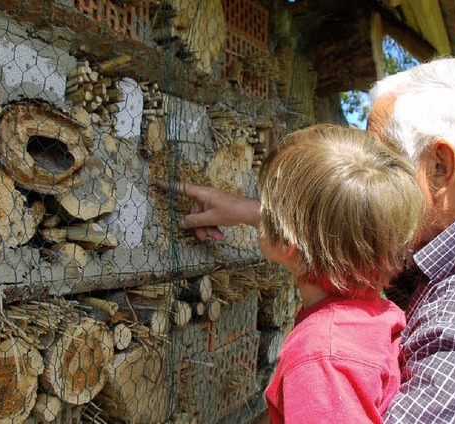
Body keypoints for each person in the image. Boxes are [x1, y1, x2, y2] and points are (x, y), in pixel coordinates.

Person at [160, 55, 455, 422]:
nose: (371, 186)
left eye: (384, 163)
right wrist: (268, 215)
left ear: (439, 167)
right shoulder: (388, 300)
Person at [165, 123, 426, 423]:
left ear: (289, 242)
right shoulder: (373, 313)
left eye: (267, 205)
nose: (261, 210)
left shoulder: (321, 359)